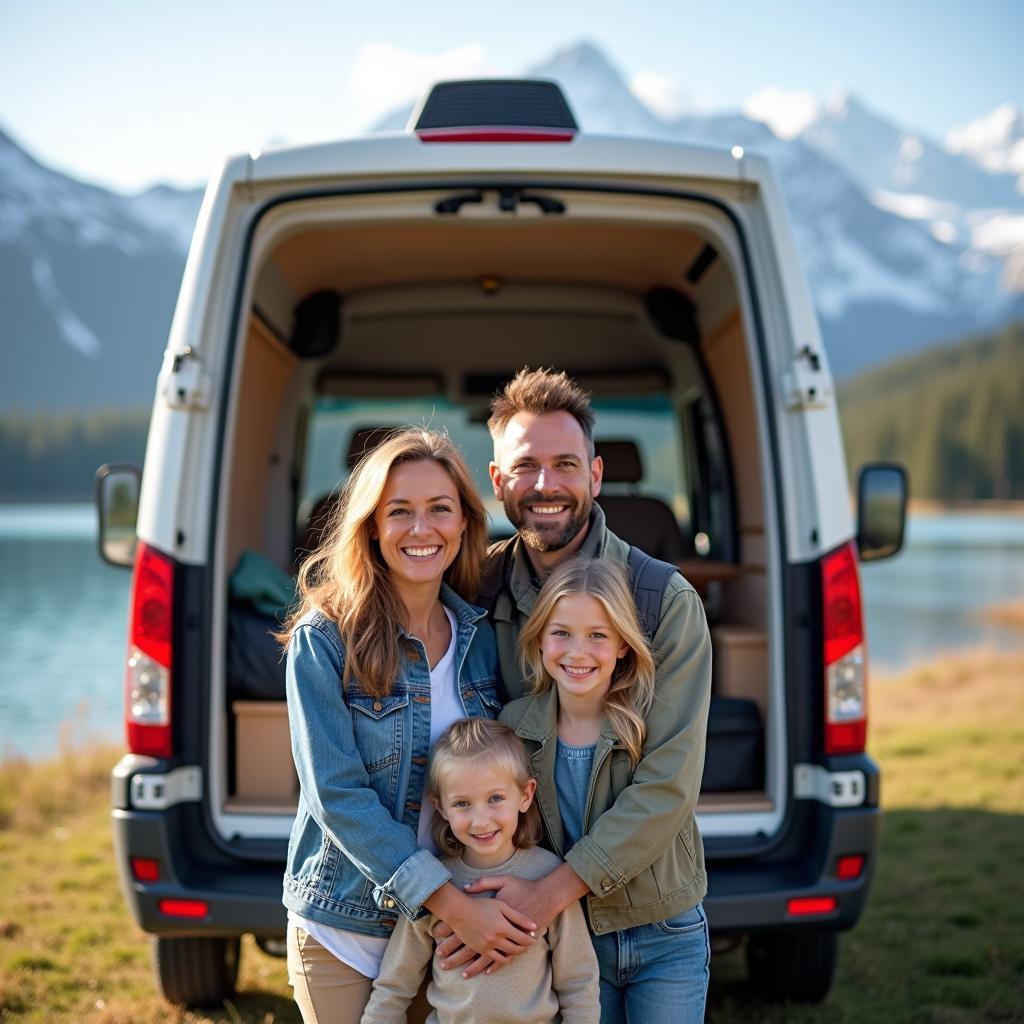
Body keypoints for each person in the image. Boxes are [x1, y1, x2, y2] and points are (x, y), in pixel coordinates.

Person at [434, 368, 712, 1023]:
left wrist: (552, 890)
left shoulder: (661, 600)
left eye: (564, 464)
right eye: (525, 466)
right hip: (532, 933)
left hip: (653, 918)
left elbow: (670, 781)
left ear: (594, 474)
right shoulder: (473, 592)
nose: (545, 485)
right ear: (498, 483)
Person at [281, 429, 538, 1024]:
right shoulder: (323, 639)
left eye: (439, 509)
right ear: (372, 526)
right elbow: (336, 795)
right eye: (400, 512)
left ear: (465, 524)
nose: (422, 529)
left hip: (449, 938)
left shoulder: (482, 638)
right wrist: (447, 905)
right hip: (348, 926)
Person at [502, 557, 709, 1023]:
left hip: (664, 931)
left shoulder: (648, 719)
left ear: (622, 646)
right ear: (538, 638)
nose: (578, 651)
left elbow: (665, 796)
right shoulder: (514, 727)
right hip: (577, 937)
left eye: (598, 635)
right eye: (562, 633)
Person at [360, 718, 600, 1024]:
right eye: (462, 804)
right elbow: (395, 985)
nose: (481, 820)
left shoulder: (547, 876)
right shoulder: (432, 883)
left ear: (525, 795)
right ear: (442, 808)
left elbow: (579, 982)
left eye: (495, 799)